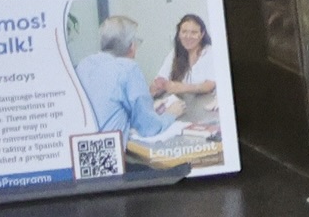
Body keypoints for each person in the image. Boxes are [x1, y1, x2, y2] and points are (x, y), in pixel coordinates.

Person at [75, 15, 168, 144]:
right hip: (110, 157)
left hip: (82, 150)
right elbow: (149, 127)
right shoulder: (128, 68)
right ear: (131, 46)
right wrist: (170, 114)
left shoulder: (84, 64)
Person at [149, 13, 220, 123]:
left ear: (202, 34)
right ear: (179, 34)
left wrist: (181, 87)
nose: (188, 37)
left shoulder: (210, 52)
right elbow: (161, 78)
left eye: (194, 33)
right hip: (181, 112)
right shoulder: (174, 54)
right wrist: (156, 87)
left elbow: (209, 85)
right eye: (184, 32)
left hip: (205, 112)